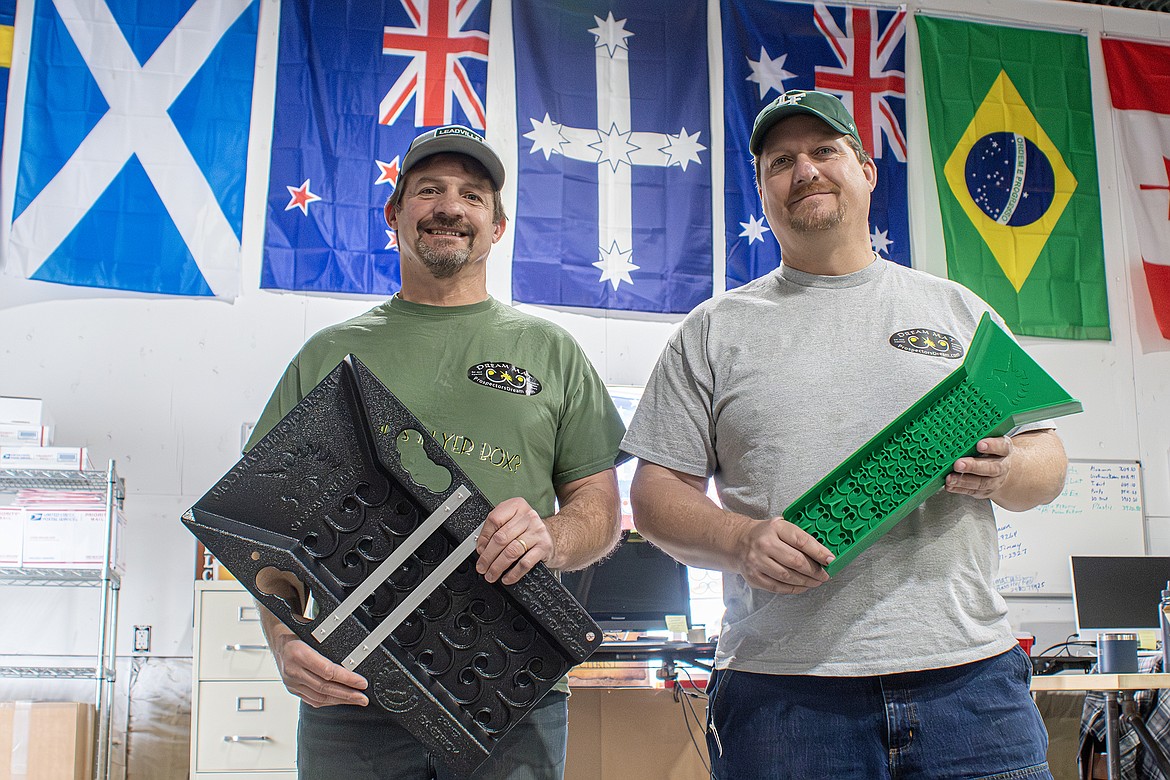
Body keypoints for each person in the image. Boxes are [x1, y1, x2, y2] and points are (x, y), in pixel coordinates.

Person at [621, 90, 1069, 779]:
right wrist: (741, 542)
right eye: (781, 162)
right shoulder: (713, 330)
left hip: (970, 682)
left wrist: (1007, 471)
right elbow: (655, 496)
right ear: (764, 190)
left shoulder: (956, 309)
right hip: (783, 695)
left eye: (824, 151)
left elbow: (1048, 458)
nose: (804, 170)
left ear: (866, 170)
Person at [246, 125, 625, 779]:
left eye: (472, 195)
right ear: (395, 215)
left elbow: (599, 511)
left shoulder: (552, 353)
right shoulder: (328, 357)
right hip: (353, 693)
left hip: (511, 692)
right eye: (429, 190)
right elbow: (263, 532)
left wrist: (550, 538)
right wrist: (283, 636)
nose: (450, 206)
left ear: (497, 226)